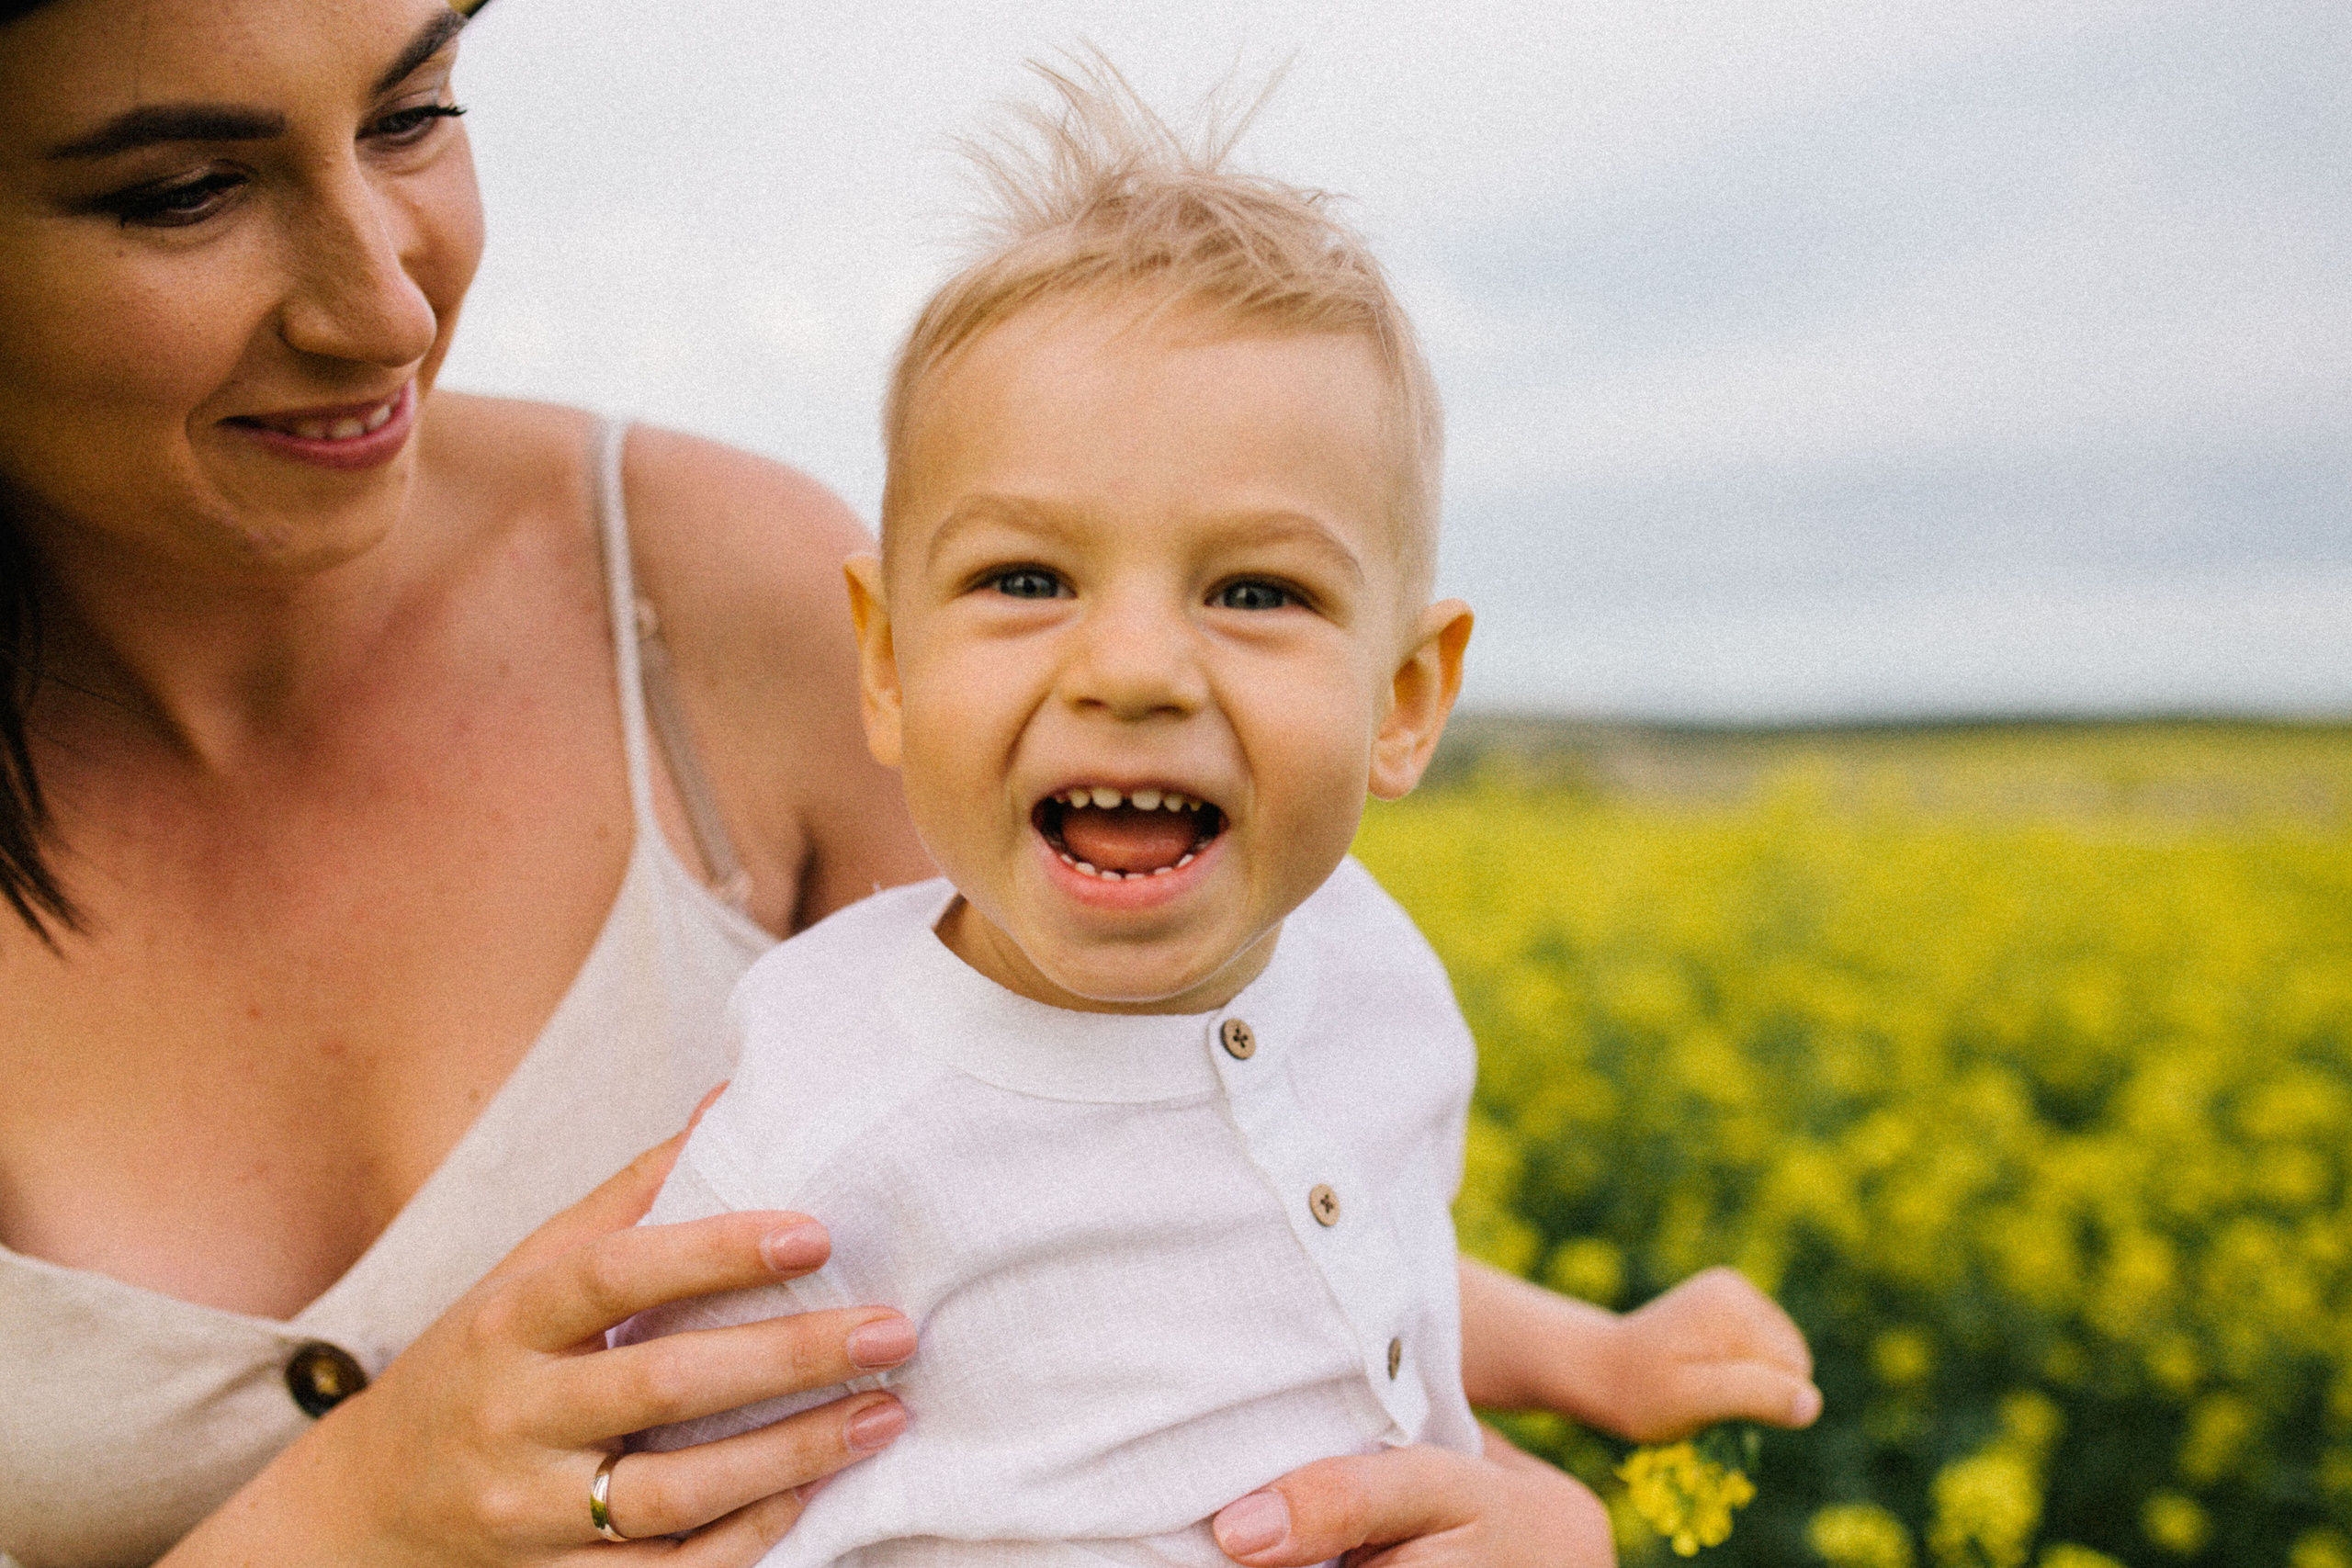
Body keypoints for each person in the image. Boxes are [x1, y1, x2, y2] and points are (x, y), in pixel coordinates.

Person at [0, 2, 1816, 1564]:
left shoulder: (741, 611)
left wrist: (1554, 1451)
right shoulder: (827, 1107)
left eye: (414, 110)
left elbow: (1163, 1213)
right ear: (896, 654)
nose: (387, 304)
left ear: (1411, 692)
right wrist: (357, 1512)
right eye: (182, 190)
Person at [609, 62, 1817, 1568]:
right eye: (1027, 580)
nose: (1131, 669)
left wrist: (1599, 1364)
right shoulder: (822, 1147)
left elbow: (1348, 1258)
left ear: (1404, 699)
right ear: (886, 665)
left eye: (1256, 592)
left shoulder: (1370, 968)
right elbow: (654, 1499)